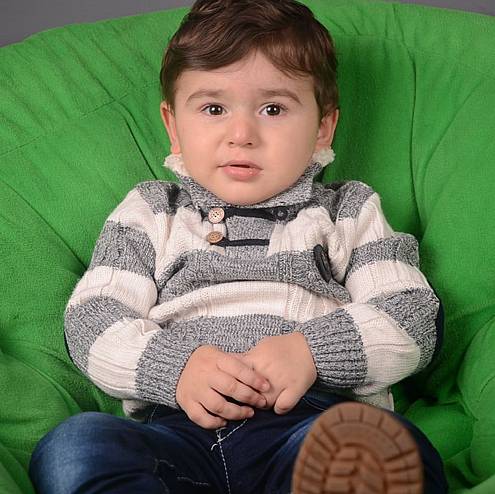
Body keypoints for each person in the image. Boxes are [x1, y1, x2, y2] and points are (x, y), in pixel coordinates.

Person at [28, 0, 448, 492]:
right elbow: (93, 318)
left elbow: (411, 314)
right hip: (178, 431)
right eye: (213, 109)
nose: (241, 135)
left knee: (379, 444)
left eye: (273, 109)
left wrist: (312, 351)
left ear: (322, 128)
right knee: (73, 446)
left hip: (309, 427)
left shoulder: (347, 209)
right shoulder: (152, 210)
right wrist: (175, 368)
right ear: (173, 127)